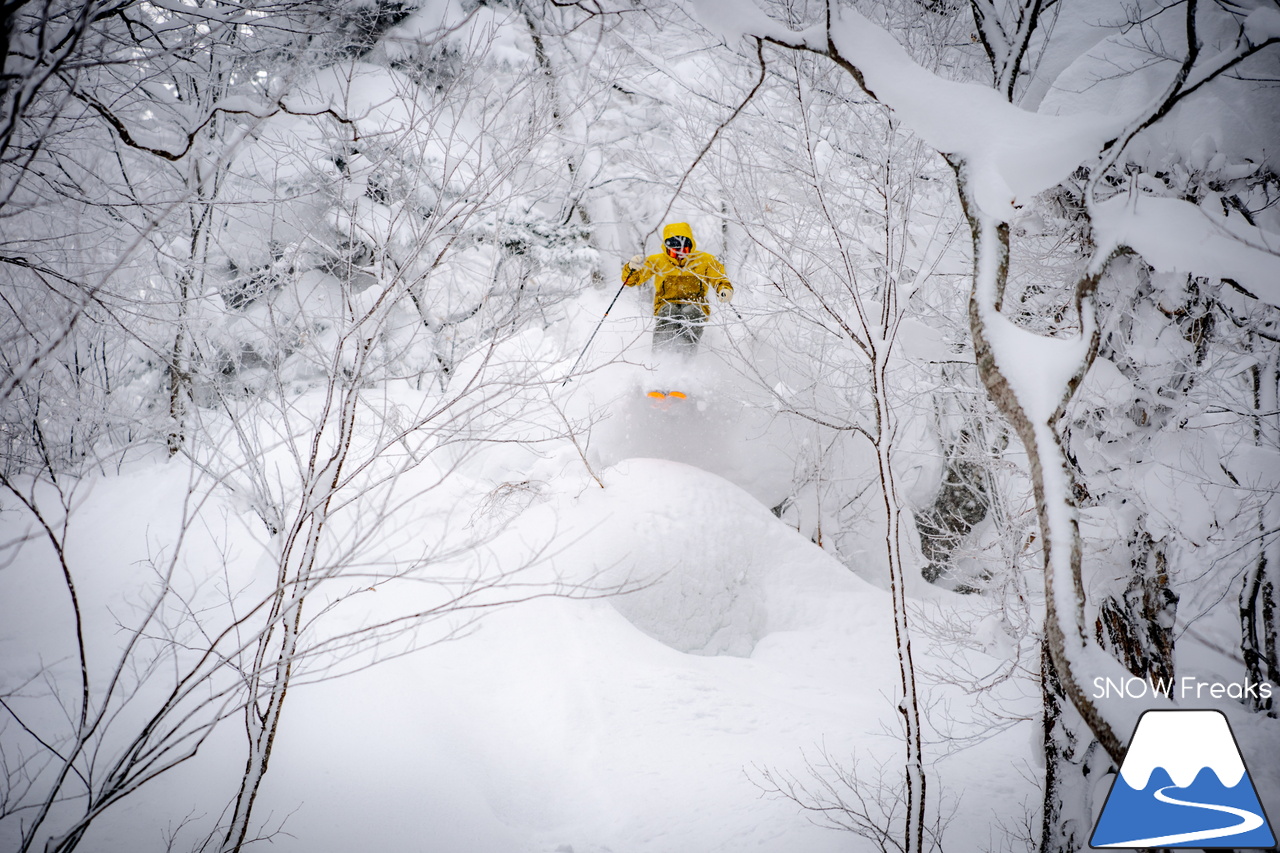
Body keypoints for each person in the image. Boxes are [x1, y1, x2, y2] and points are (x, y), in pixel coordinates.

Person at [621, 222, 733, 355]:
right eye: (674, 252)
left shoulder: (705, 261)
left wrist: (724, 290)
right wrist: (631, 268)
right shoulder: (657, 261)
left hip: (696, 303)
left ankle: (687, 358)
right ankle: (660, 357)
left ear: (690, 247)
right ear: (667, 249)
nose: (680, 256)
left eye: (684, 251)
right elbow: (631, 281)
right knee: (669, 313)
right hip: (666, 303)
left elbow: (719, 278)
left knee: (691, 312)